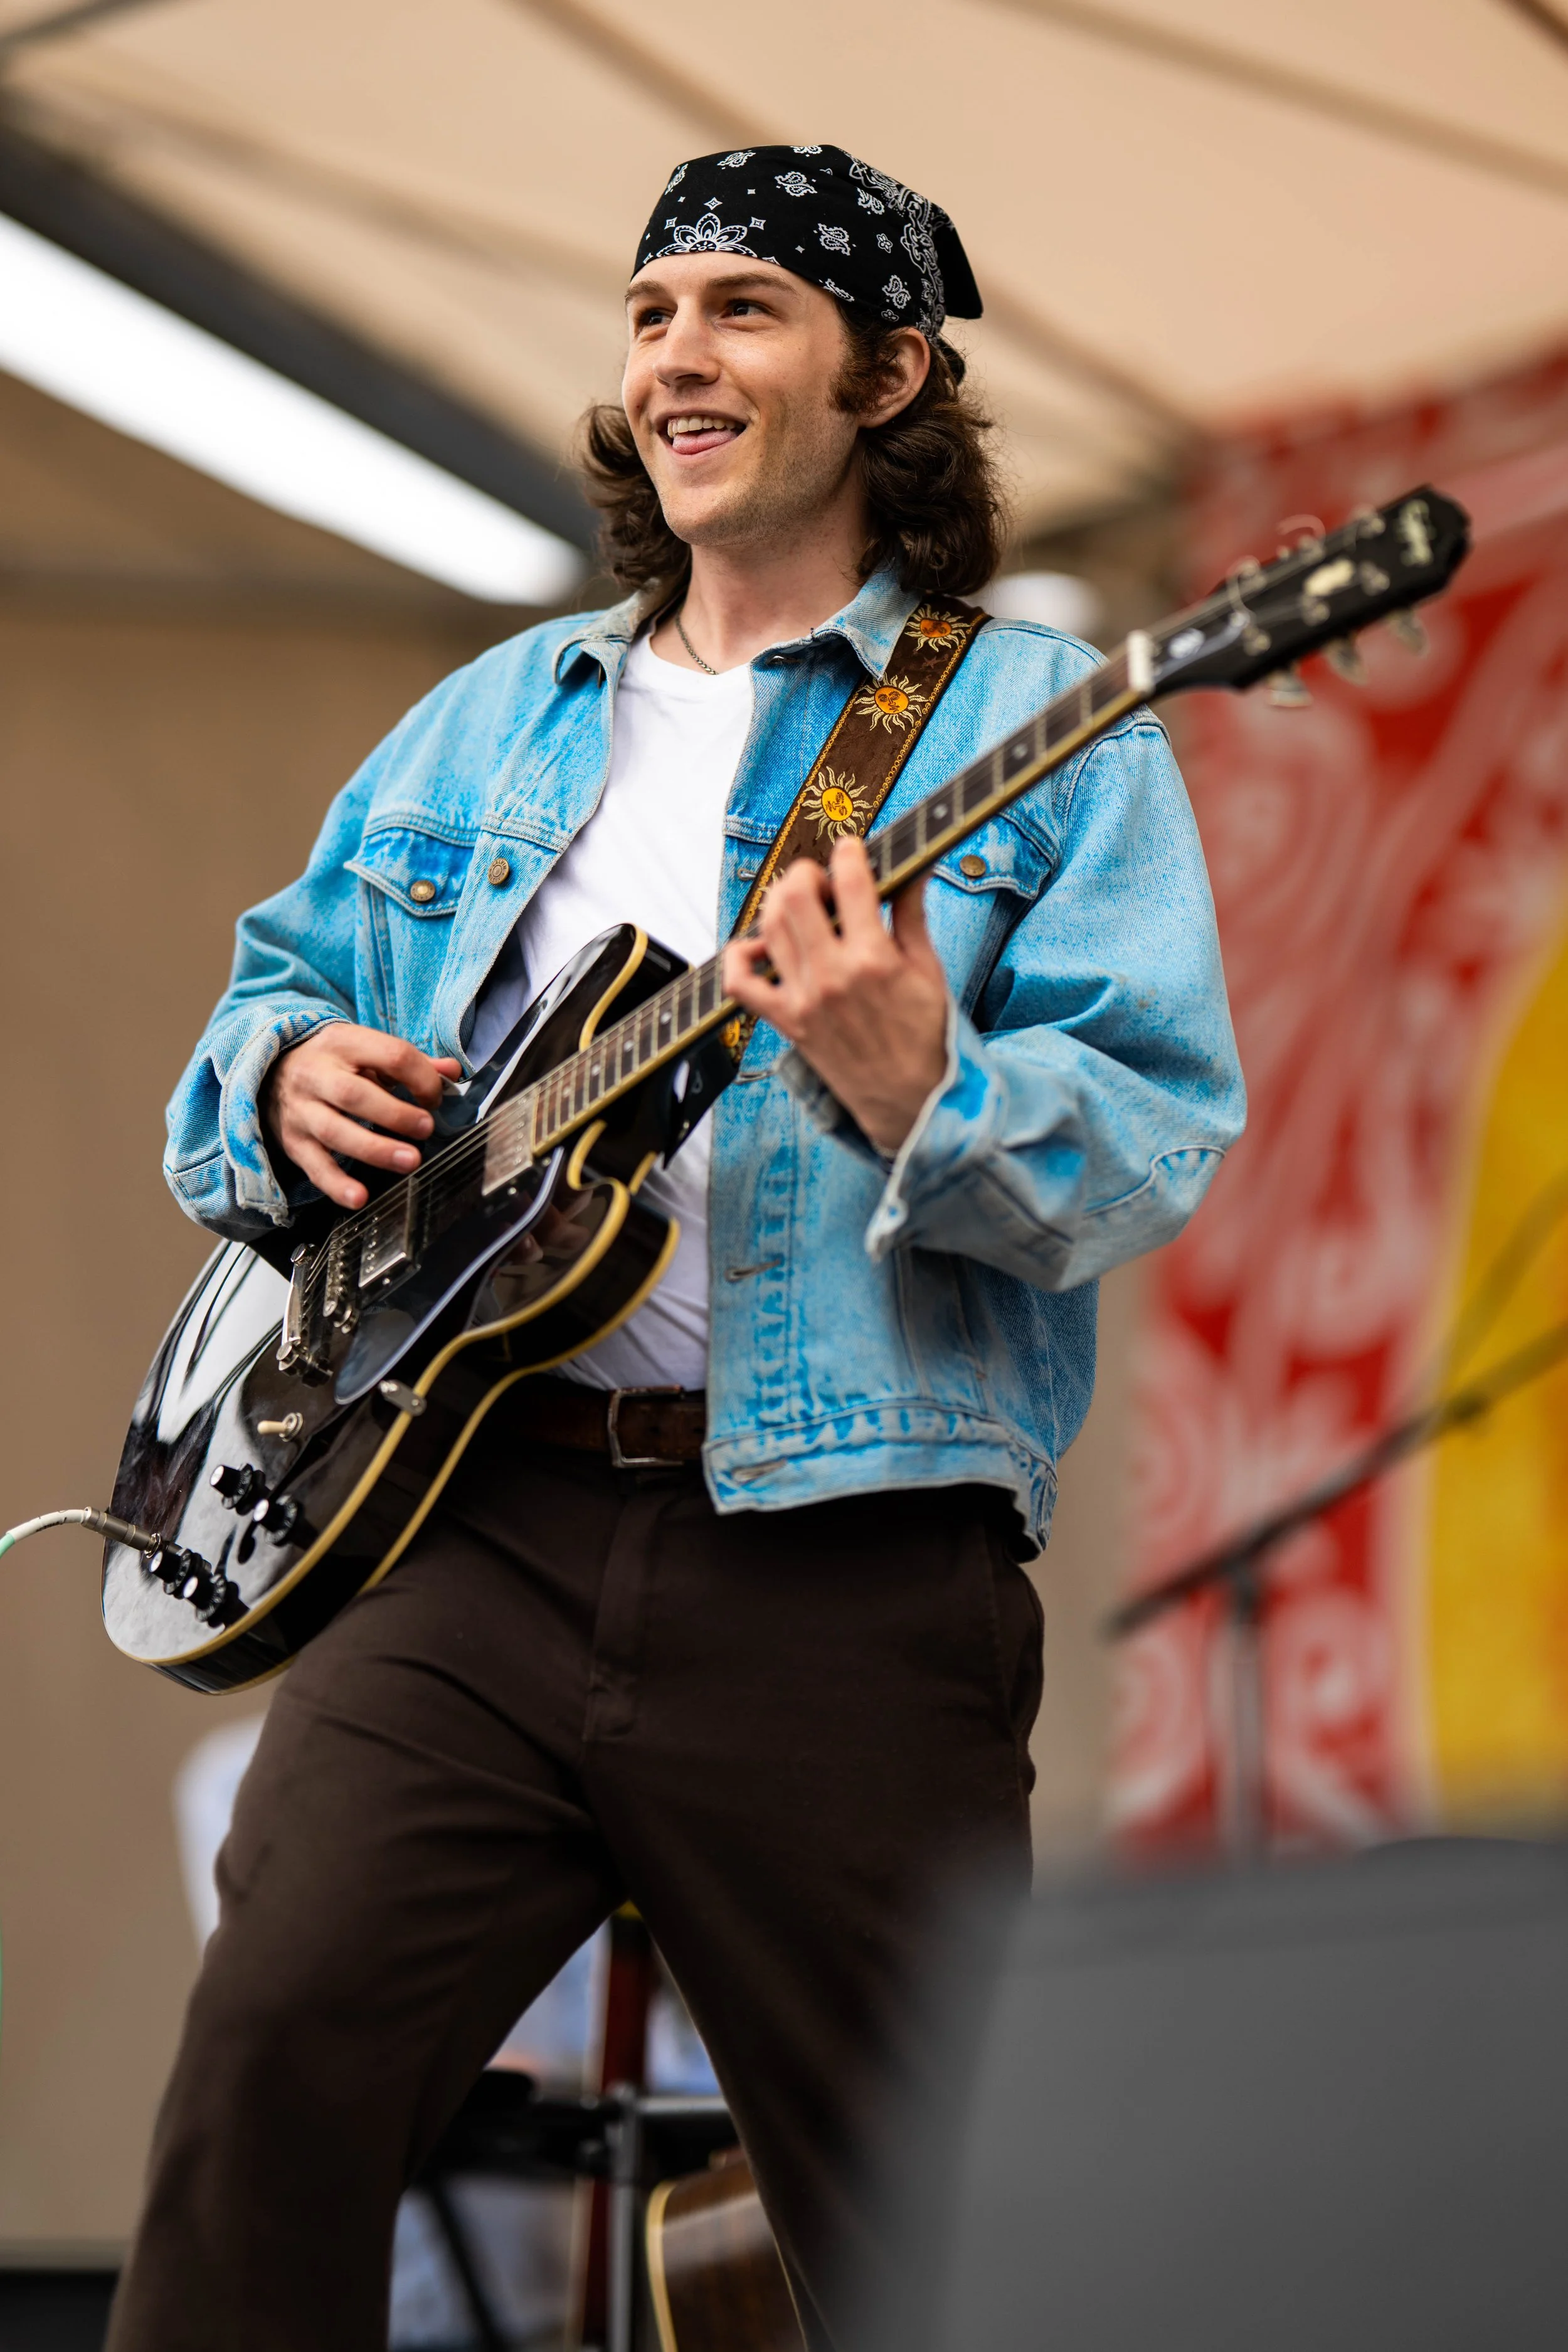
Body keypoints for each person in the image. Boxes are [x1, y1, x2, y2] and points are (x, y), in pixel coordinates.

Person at [109, 146, 1244, 2352]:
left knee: (929, 2230)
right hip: (475, 1535)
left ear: (889, 372)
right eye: (650, 314)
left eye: (742, 309)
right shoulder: (497, 708)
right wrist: (279, 1083)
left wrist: (923, 1074)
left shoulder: (1030, 725)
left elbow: (1140, 1154)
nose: (675, 358)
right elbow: (250, 1021)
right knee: (264, 2083)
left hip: (844, 1565)